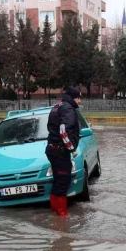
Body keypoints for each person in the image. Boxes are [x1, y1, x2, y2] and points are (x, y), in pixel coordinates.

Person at [46, 87, 82, 217]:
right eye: (78, 98)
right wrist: (72, 148)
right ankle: (62, 216)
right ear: (73, 97)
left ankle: (55, 213)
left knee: (57, 181)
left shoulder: (57, 106)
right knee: (63, 182)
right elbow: (63, 131)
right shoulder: (68, 109)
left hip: (52, 148)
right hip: (60, 150)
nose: (80, 101)